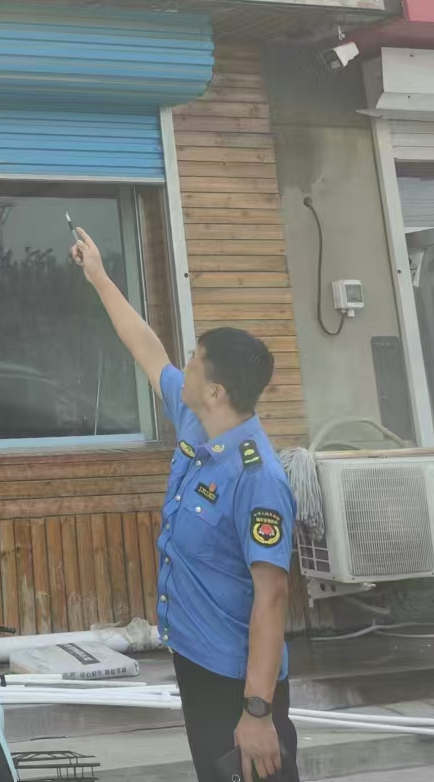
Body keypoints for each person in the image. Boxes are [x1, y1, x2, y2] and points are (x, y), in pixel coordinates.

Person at [71, 225, 299, 782]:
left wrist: (257, 711)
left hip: (237, 683)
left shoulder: (258, 478)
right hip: (196, 664)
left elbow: (272, 597)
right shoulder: (199, 420)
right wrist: (99, 276)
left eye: (195, 361)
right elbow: (146, 348)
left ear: (217, 391)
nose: (184, 368)